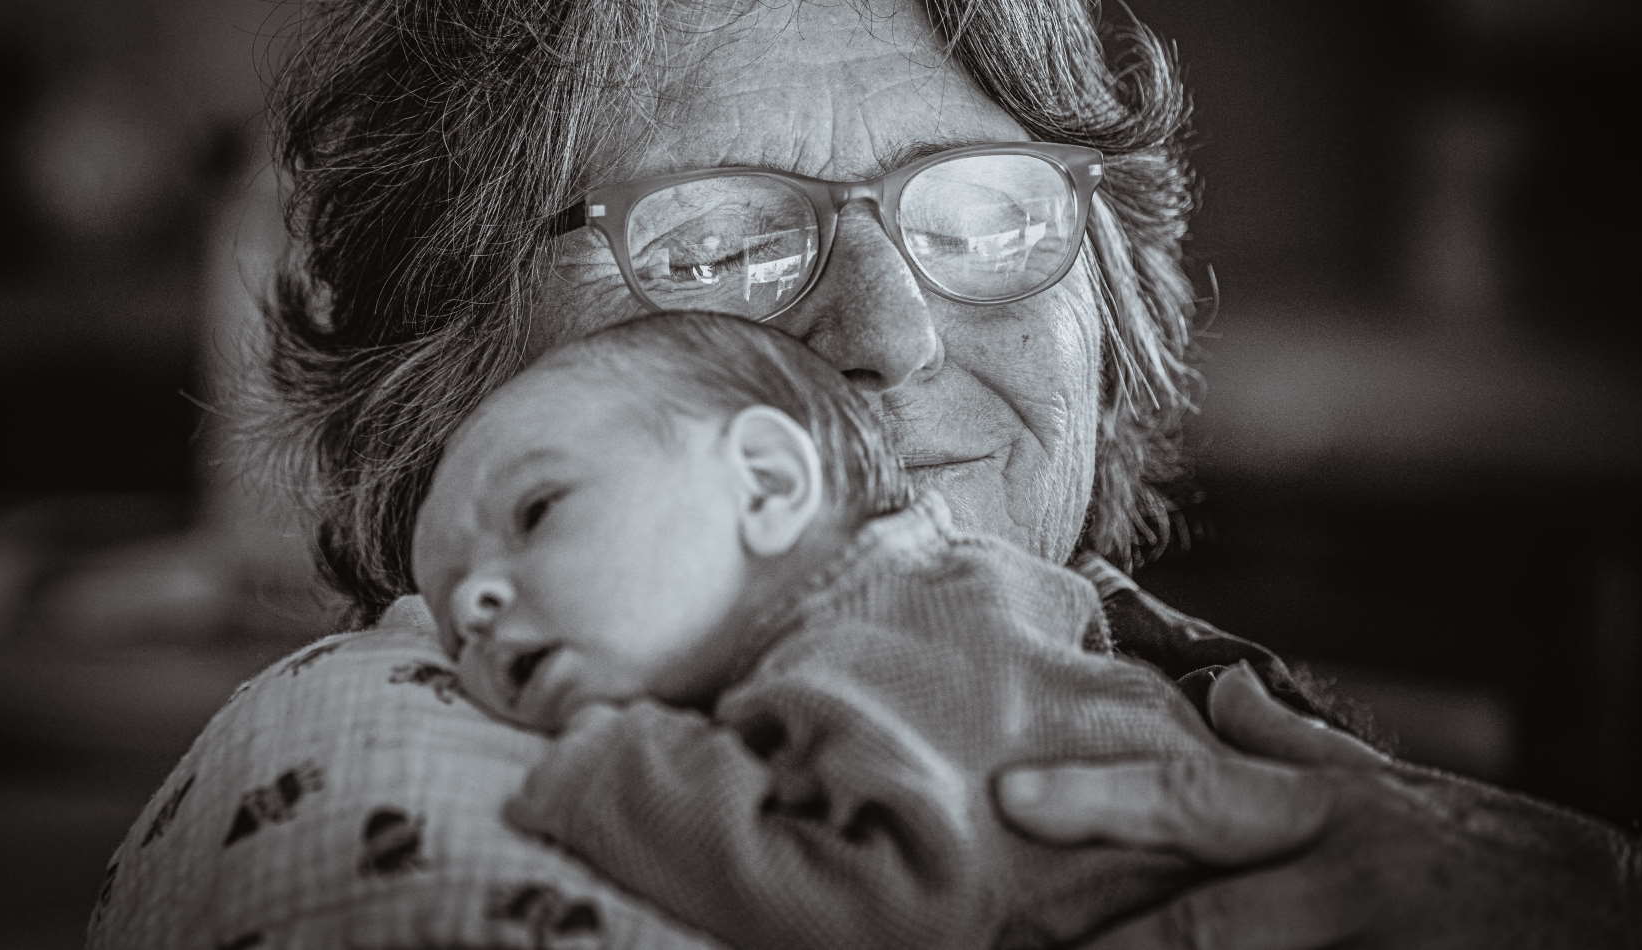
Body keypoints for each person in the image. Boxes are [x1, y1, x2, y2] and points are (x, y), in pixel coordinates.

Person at [91, 0, 1642, 946]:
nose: (890, 332)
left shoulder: (1120, 680)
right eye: (726, 242)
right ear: (452, 378)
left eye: (985, 219)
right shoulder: (388, 766)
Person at [414, 309, 1245, 948]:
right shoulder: (882, 623)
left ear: (768, 484)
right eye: (449, 618)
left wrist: (619, 781)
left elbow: (916, 909)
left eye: (536, 512)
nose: (472, 605)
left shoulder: (919, 627)